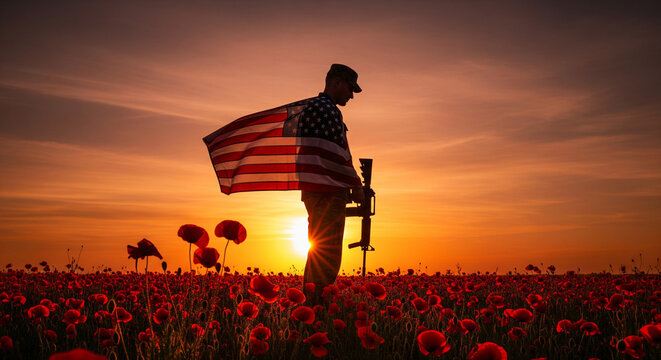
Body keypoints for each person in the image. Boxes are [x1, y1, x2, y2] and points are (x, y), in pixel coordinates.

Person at [299, 64, 364, 303]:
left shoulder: (314, 108)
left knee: (317, 249)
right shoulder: (328, 110)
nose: (351, 95)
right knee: (327, 252)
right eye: (350, 88)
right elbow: (335, 154)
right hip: (327, 191)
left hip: (314, 189)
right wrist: (356, 186)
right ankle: (317, 306)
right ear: (336, 82)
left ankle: (310, 304)